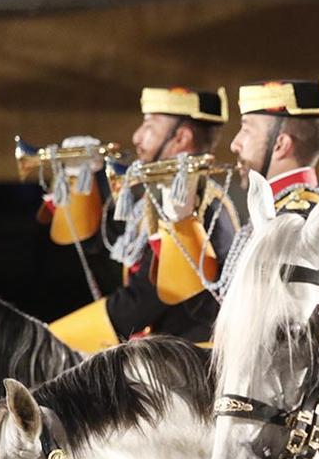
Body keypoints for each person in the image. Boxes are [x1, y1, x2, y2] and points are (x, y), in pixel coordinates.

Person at [48, 86, 239, 351]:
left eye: (150, 126)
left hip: (191, 361)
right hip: (165, 352)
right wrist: (85, 179)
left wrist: (52, 339)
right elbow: (106, 245)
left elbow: (147, 298)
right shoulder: (156, 199)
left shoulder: (199, 204)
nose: (137, 136)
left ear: (181, 138)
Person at [231, 75, 319, 216]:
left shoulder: (293, 220)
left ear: (281, 145)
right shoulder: (280, 209)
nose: (234, 145)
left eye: (246, 130)